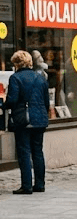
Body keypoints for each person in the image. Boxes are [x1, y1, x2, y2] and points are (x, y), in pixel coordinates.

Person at [3, 50, 50, 194]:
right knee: (37, 151)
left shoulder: (15, 78)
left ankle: (27, 185)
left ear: (17, 64)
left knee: (24, 152)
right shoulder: (40, 77)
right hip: (39, 119)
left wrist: (4, 104)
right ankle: (40, 184)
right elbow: (46, 102)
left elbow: (12, 100)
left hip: (23, 119)